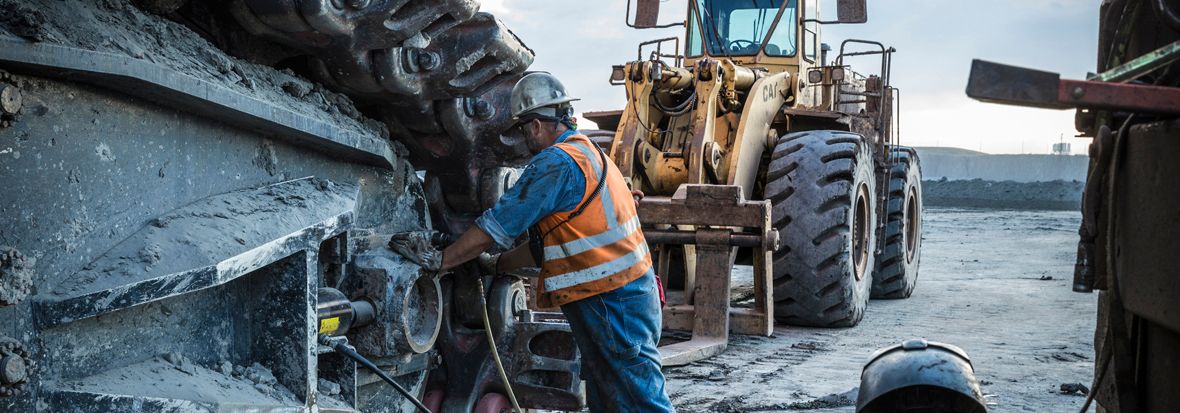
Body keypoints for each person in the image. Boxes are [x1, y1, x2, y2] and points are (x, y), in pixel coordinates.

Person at [390, 72, 674, 413]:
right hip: (622, 297)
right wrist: (496, 265)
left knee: (641, 399)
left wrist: (442, 260)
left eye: (524, 129)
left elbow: (494, 227)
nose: (525, 139)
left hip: (612, 302)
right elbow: (547, 245)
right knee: (611, 397)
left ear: (536, 124)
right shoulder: (587, 153)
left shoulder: (556, 164)